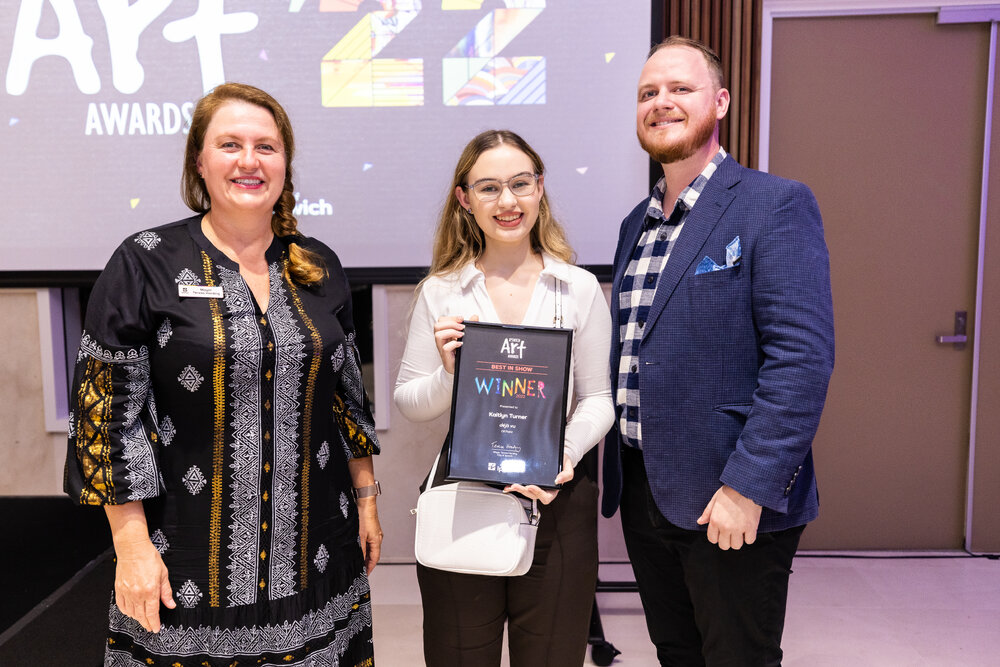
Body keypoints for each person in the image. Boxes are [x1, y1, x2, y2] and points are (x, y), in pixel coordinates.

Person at [64, 82, 382, 667]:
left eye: (267, 146)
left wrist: (366, 500)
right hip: (186, 563)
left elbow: (345, 402)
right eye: (230, 144)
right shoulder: (145, 262)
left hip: (317, 556)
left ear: (285, 162)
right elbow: (106, 419)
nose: (249, 161)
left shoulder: (319, 265)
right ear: (199, 162)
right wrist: (130, 543)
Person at [601, 36, 835, 666]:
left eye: (680, 88)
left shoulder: (773, 204)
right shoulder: (635, 224)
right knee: (678, 654)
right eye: (648, 93)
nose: (661, 102)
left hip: (729, 497)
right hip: (647, 489)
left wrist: (747, 487)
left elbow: (801, 360)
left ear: (721, 101)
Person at [393, 129, 614, 666]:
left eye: (520, 184)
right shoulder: (441, 290)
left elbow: (599, 400)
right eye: (489, 188)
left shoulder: (578, 287)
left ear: (540, 188)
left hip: (557, 499)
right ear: (464, 199)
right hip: (464, 495)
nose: (508, 202)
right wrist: (450, 375)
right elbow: (408, 399)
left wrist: (561, 456)